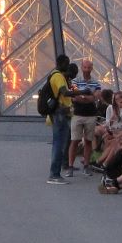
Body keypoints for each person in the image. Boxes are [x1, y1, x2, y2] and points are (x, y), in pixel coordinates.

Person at [67, 58, 104, 173]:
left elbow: (95, 97)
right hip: (78, 114)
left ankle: (86, 165)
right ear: (81, 68)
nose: (87, 70)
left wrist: (82, 97)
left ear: (92, 68)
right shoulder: (75, 81)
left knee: (88, 141)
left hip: (90, 115)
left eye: (89, 67)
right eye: (85, 67)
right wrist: (88, 97)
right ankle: (70, 166)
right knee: (74, 140)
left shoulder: (96, 83)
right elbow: (75, 97)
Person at [43, 55, 74, 185]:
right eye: (67, 63)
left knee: (59, 143)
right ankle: (54, 174)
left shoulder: (54, 75)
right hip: (61, 113)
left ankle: (55, 173)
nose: (68, 66)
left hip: (59, 112)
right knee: (59, 144)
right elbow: (64, 93)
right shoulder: (58, 76)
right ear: (61, 63)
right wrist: (84, 92)